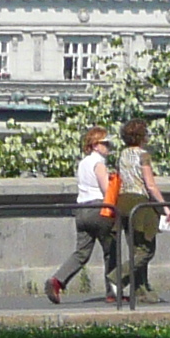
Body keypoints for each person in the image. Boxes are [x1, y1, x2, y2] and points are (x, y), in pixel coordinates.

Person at [44, 124, 118, 305]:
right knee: (112, 251)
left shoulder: (83, 163)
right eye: (105, 143)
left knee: (81, 253)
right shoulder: (99, 164)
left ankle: (57, 280)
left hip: (81, 210)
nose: (108, 147)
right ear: (94, 145)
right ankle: (113, 292)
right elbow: (105, 189)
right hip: (99, 209)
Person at [108, 115, 170, 304]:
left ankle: (141, 290)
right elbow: (150, 185)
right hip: (139, 202)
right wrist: (165, 208)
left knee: (135, 248)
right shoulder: (143, 156)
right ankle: (118, 276)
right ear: (141, 136)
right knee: (146, 249)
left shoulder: (122, 154)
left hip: (123, 202)